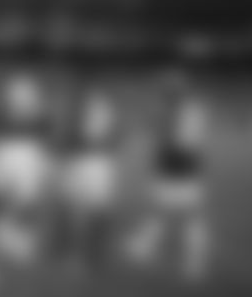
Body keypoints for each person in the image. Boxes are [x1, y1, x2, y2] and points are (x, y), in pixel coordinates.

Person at [128, 84, 212, 281]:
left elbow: (178, 141)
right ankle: (146, 248)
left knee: (187, 217)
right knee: (166, 213)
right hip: (179, 170)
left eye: (167, 96)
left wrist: (157, 128)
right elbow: (167, 137)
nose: (164, 100)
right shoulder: (187, 111)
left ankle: (192, 261)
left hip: (179, 170)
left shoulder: (185, 113)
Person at [0, 73, 57, 267]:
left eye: (26, 97)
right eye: (16, 96)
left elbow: (45, 148)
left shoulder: (41, 122)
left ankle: (20, 245)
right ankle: (3, 246)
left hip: (29, 163)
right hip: (6, 161)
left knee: (25, 206)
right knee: (6, 206)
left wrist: (45, 170)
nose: (20, 102)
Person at [59, 87, 122, 271]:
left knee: (97, 211)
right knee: (75, 210)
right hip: (82, 164)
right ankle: (72, 253)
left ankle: (93, 255)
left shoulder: (106, 123)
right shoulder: (78, 121)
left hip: (99, 166)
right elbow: (70, 142)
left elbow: (111, 141)